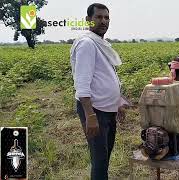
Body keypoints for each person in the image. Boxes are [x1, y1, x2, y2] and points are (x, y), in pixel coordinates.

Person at [70, 3, 126, 180]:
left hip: (107, 110)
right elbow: (82, 84)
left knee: (105, 156)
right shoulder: (87, 44)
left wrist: (118, 102)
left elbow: (106, 78)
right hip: (95, 111)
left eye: (106, 17)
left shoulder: (100, 43)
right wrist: (90, 116)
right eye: (99, 17)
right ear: (88, 20)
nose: (103, 21)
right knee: (100, 160)